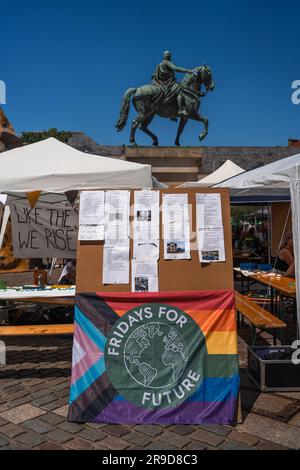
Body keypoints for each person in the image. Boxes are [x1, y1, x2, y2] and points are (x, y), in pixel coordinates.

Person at [152, 51, 193, 116]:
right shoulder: (167, 62)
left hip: (159, 83)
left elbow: (154, 74)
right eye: (168, 55)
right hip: (166, 82)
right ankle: (180, 110)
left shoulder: (159, 64)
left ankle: (172, 112)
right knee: (179, 90)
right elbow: (175, 68)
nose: (169, 56)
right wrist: (187, 70)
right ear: (168, 56)